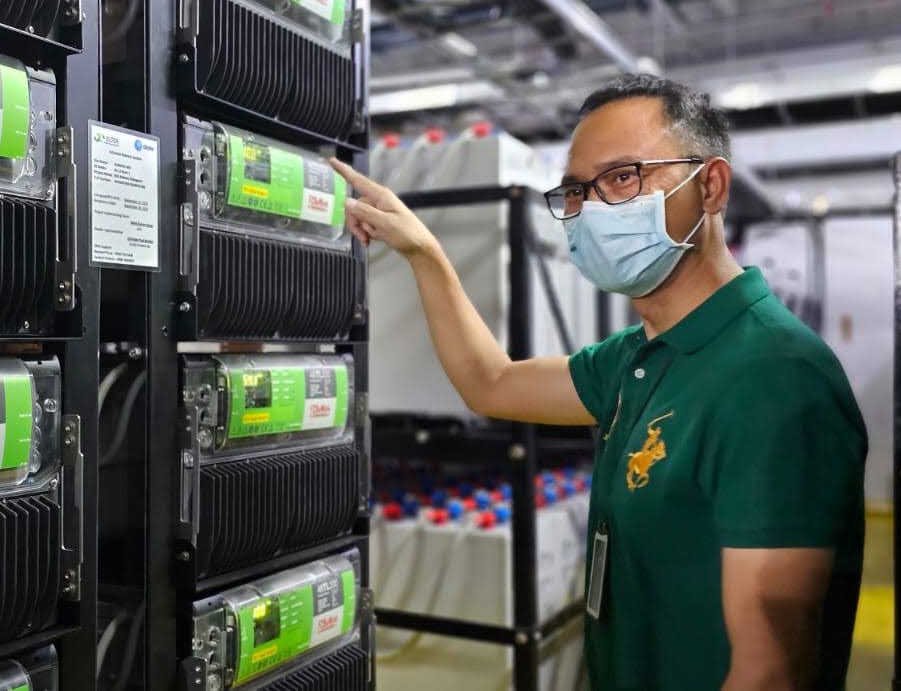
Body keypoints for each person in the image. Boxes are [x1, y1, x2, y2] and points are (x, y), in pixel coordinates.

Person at [331, 74, 867, 691]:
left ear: (711, 186)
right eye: (576, 191)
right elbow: (493, 383)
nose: (591, 210)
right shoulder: (635, 360)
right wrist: (423, 249)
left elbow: (770, 672)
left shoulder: (775, 380)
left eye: (623, 178)